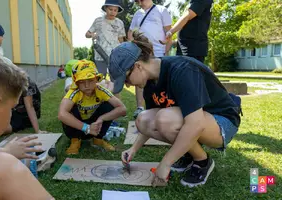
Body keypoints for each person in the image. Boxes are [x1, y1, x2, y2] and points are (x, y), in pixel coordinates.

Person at [109, 32, 241, 187]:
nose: (127, 85)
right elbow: (149, 125)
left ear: (138, 66)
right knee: (143, 120)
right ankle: (188, 153)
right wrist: (133, 149)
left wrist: (165, 163)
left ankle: (202, 161)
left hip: (222, 121)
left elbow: (196, 124)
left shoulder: (182, 70)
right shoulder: (150, 83)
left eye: (126, 79)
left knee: (165, 119)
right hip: (197, 119)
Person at [0, 49, 54, 199]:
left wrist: (5, 150)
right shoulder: (3, 167)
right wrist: (5, 156)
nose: (11, 113)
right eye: (11, 108)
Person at [58, 60, 126, 155]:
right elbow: (61, 114)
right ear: (76, 83)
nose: (87, 86)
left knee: (109, 105)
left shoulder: (101, 90)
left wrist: (102, 118)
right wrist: (87, 128)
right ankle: (75, 140)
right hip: (79, 126)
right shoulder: (74, 92)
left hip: (96, 126)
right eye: (82, 82)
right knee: (68, 108)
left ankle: (98, 139)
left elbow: (122, 109)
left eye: (90, 80)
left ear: (96, 79)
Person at [128, 0, 172, 119]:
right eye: (137, 1)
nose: (139, 2)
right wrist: (132, 47)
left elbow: (169, 33)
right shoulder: (138, 13)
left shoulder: (162, 10)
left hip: (159, 52)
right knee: (139, 77)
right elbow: (131, 32)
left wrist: (166, 52)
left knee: (160, 81)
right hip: (142, 52)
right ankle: (140, 108)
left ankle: (163, 107)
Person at [85, 0, 126, 77]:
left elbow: (121, 39)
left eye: (115, 10)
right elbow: (87, 34)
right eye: (110, 9)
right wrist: (92, 35)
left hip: (115, 55)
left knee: (114, 78)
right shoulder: (98, 21)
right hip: (100, 54)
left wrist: (123, 52)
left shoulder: (120, 23)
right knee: (100, 78)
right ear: (105, 8)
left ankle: (113, 89)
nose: (113, 12)